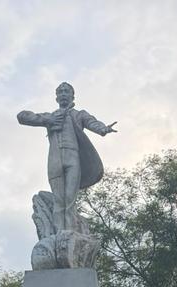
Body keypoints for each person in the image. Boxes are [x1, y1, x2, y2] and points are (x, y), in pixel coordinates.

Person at [17, 82, 117, 231]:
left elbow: (92, 122)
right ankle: (60, 233)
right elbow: (22, 117)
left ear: (72, 96)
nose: (63, 94)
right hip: (55, 158)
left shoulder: (78, 114)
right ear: (56, 97)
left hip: (73, 158)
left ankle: (70, 232)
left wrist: (103, 129)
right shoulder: (51, 116)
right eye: (60, 92)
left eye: (66, 91)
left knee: (70, 199)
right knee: (59, 199)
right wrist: (48, 120)